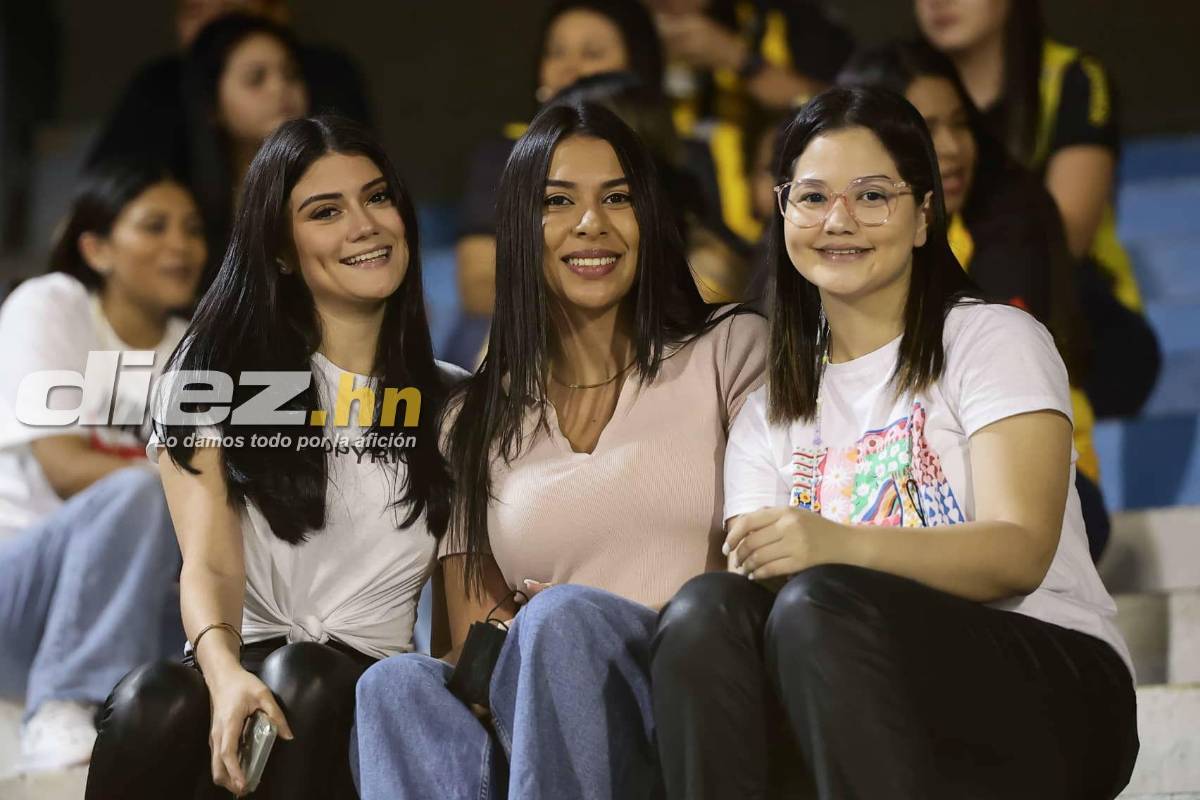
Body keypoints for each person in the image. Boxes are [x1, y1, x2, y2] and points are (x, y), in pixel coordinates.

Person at [650, 86, 1139, 799]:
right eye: (812, 197)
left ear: (922, 217)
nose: (838, 221)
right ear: (782, 212)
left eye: (872, 195)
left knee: (820, 603)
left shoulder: (989, 339)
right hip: (853, 686)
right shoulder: (766, 410)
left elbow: (1019, 552)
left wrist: (838, 545)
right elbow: (758, 598)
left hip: (1053, 686)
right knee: (703, 615)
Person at [353, 101, 766, 800]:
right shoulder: (474, 417)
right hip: (535, 713)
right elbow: (463, 652)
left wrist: (560, 622)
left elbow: (763, 566)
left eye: (617, 199)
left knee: (564, 618)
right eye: (557, 202)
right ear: (520, 227)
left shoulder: (728, 348)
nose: (590, 224)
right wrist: (510, 630)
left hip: (687, 696)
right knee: (393, 684)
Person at [84, 115, 461, 799]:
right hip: (239, 657)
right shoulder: (211, 383)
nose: (365, 225)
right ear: (282, 249)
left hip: (366, 688)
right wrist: (226, 675)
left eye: (377, 198)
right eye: (325, 211)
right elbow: (211, 562)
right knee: (154, 698)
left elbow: (459, 624)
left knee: (306, 679)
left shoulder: (455, 400)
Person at [836, 40, 1111, 560]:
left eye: (959, 124)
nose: (952, 147)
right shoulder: (824, 241)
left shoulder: (1014, 215)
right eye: (925, 130)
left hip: (1034, 473)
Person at [0, 161, 205, 771]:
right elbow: (63, 466)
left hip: (127, 608)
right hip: (18, 590)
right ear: (96, 247)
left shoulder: (196, 346)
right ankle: (69, 700)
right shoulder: (52, 305)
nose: (181, 245)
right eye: (155, 227)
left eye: (193, 229)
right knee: (138, 491)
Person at [916, 0, 1159, 417]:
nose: (939, 2)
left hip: (1078, 314)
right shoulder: (904, 83)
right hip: (944, 307)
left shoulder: (1071, 77)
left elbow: (1067, 238)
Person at [457, 0, 665, 318]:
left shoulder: (676, 154)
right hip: (534, 330)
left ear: (637, 67)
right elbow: (479, 284)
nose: (569, 67)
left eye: (592, 54)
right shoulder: (504, 156)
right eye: (556, 52)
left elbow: (715, 269)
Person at [649, 0, 855, 244]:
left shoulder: (788, 19)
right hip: (672, 227)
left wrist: (741, 61)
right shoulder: (619, 25)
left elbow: (847, 112)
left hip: (768, 234)